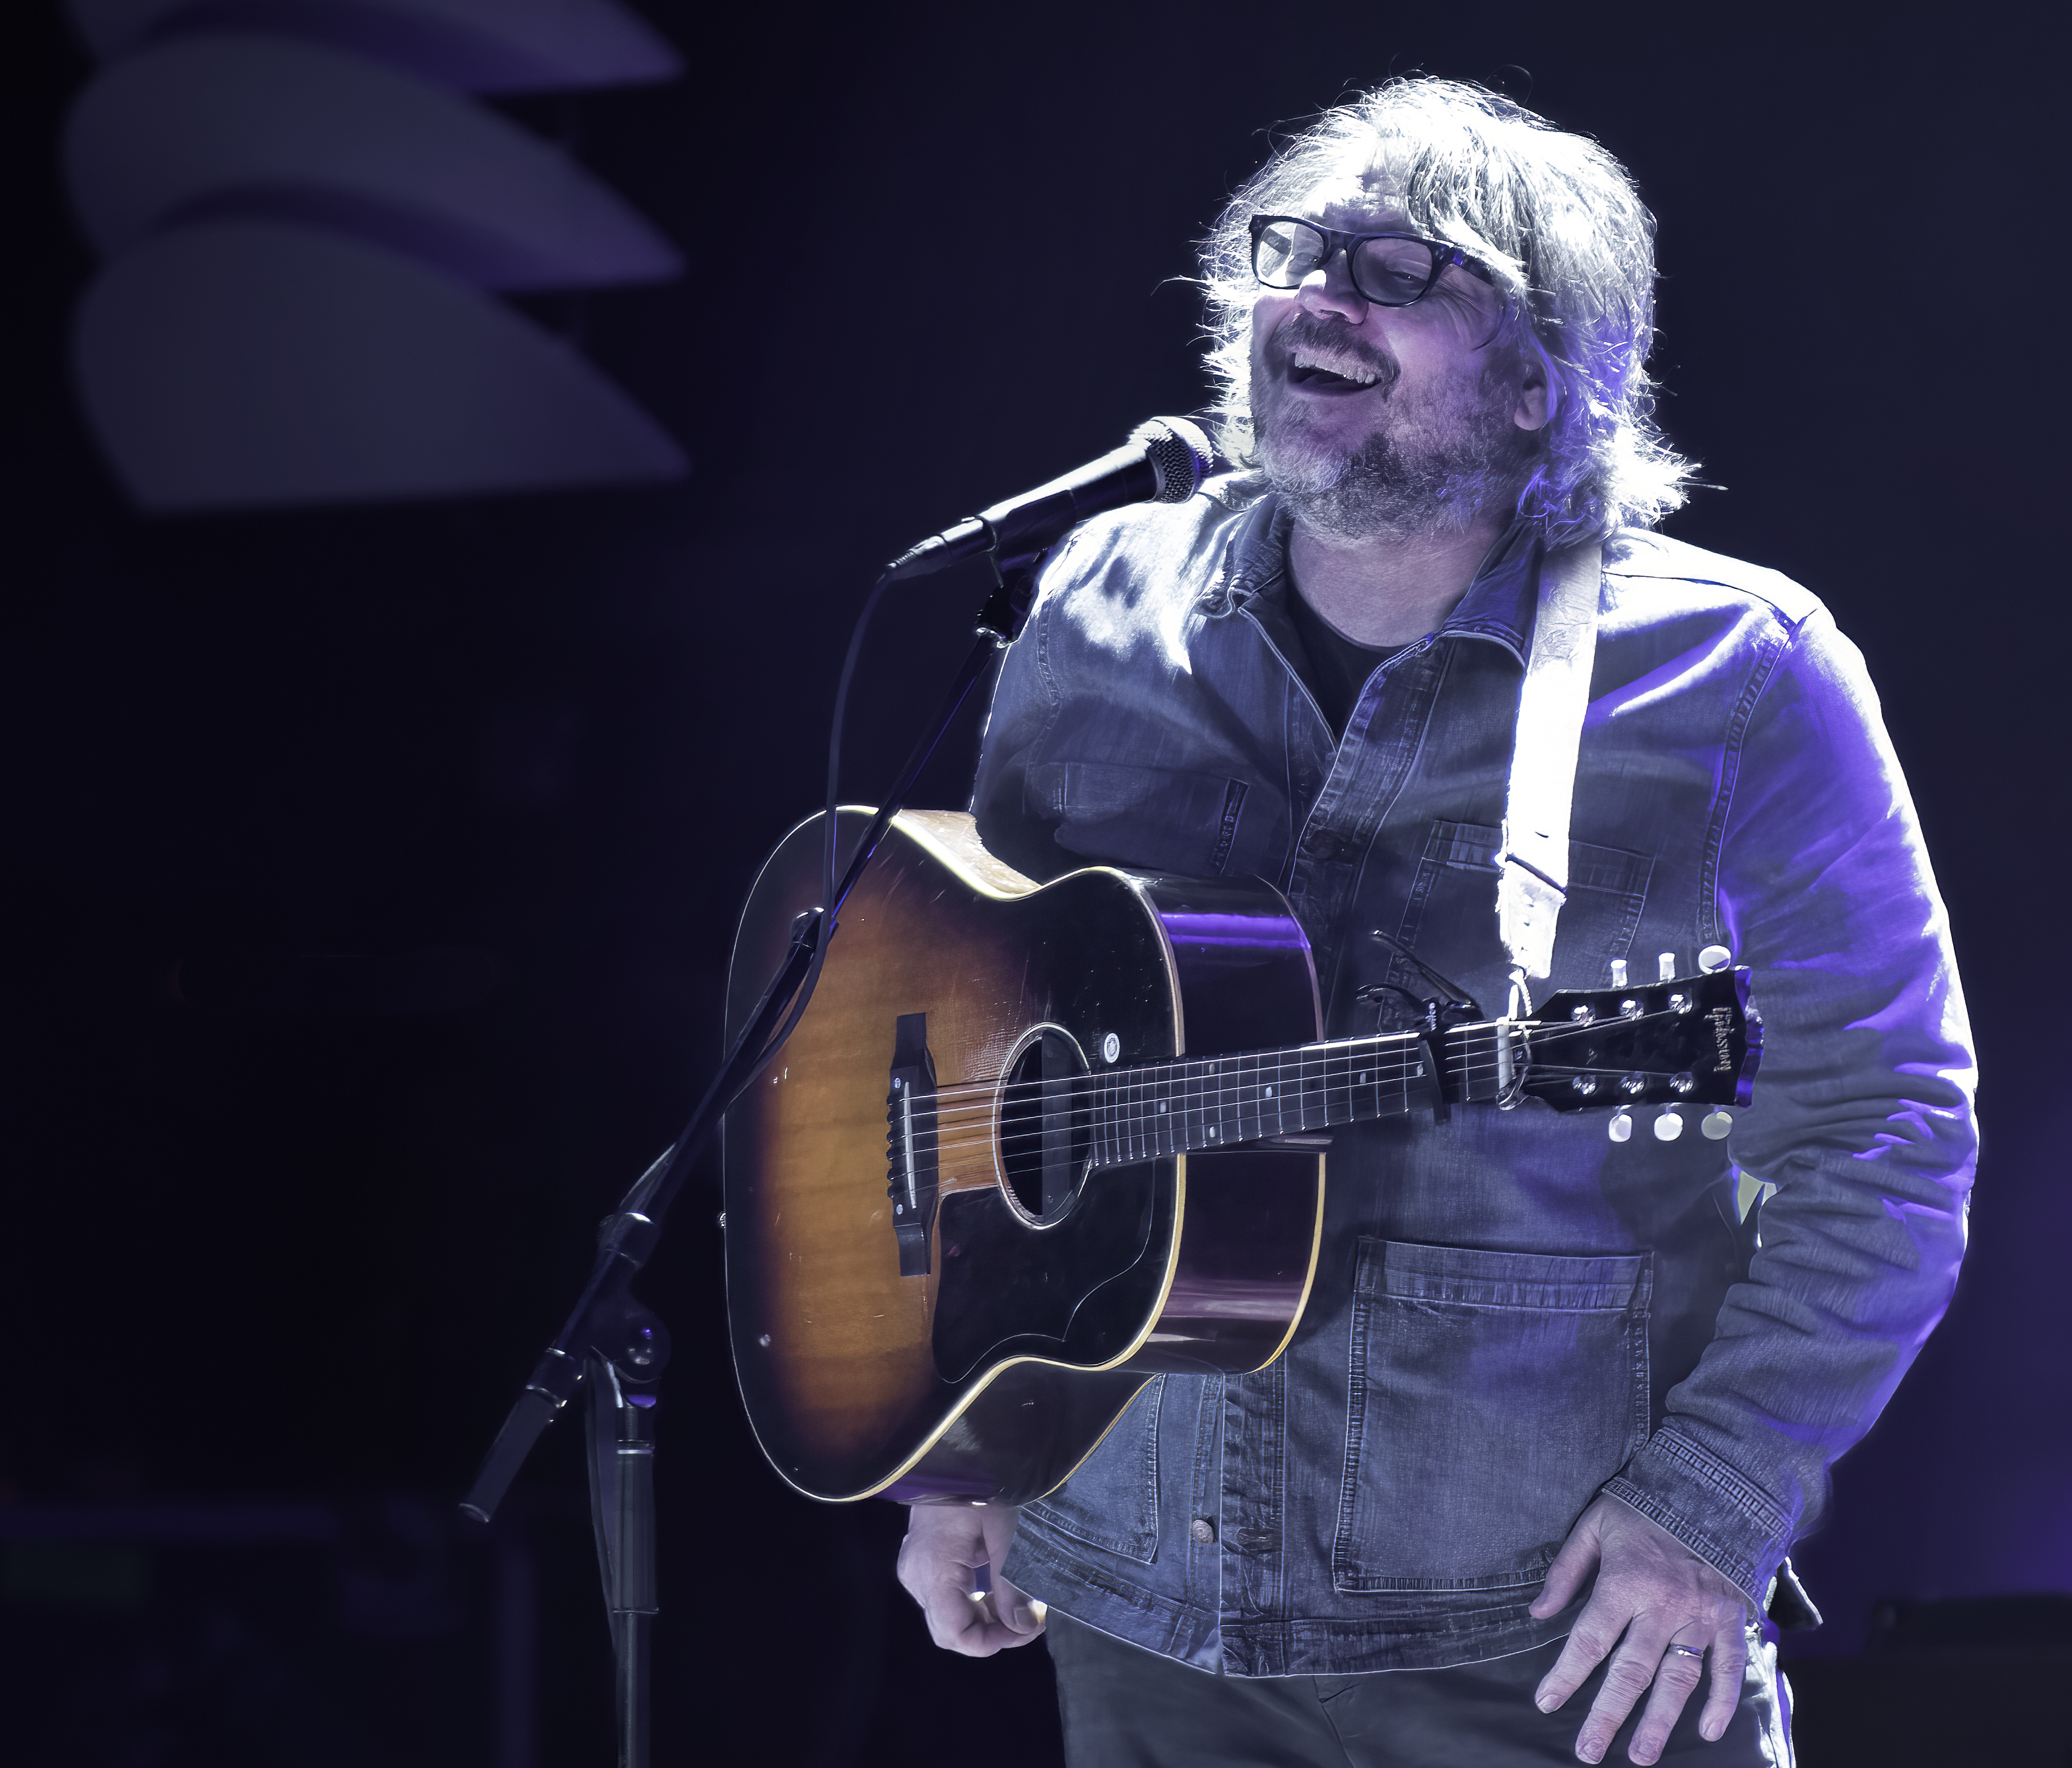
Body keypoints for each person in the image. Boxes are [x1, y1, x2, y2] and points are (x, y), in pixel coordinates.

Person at [894, 79, 1975, 1767]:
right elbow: (967, 1030)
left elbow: (1890, 1132)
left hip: (1548, 1636)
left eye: (1403, 272)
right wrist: (965, 1451)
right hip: (1131, 1604)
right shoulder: (1093, 601)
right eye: (1294, 255)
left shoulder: (1743, 674)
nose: (1317, 297)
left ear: (1542, 382)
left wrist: (1711, 1501)